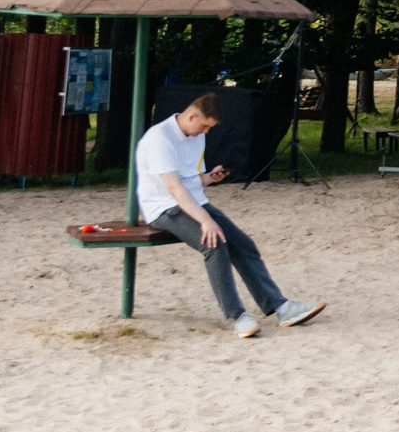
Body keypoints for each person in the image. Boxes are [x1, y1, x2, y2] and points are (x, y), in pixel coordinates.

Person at [138, 94, 323, 337]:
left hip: (194, 201)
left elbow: (190, 180)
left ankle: (281, 307)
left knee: (243, 244)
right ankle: (237, 316)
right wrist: (206, 220)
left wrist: (208, 178)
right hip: (163, 207)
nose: (205, 132)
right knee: (213, 245)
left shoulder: (195, 136)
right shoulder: (159, 139)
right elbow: (174, 188)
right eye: (204, 126)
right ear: (191, 116)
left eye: (209, 128)